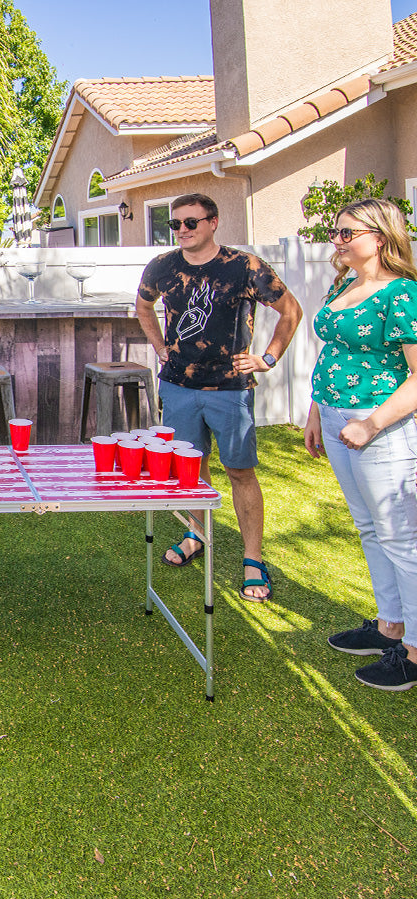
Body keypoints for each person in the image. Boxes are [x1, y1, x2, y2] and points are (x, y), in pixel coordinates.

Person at [135, 193, 303, 601]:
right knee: (191, 470)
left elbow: (291, 310)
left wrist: (268, 358)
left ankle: (252, 558)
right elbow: (142, 308)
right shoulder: (162, 266)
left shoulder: (244, 266)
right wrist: (160, 348)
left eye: (190, 222)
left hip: (230, 389)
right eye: (175, 224)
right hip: (178, 385)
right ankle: (197, 535)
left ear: (213, 222)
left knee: (240, 471)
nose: (182, 231)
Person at [303, 198, 417, 692]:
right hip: (335, 418)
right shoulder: (345, 283)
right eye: (337, 232)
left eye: (348, 233)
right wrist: (316, 410)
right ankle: (390, 625)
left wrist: (370, 424)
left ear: (381, 235)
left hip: (380, 426)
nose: (338, 240)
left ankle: (413, 652)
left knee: (400, 537)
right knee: (369, 528)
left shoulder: (402, 294)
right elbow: (330, 350)